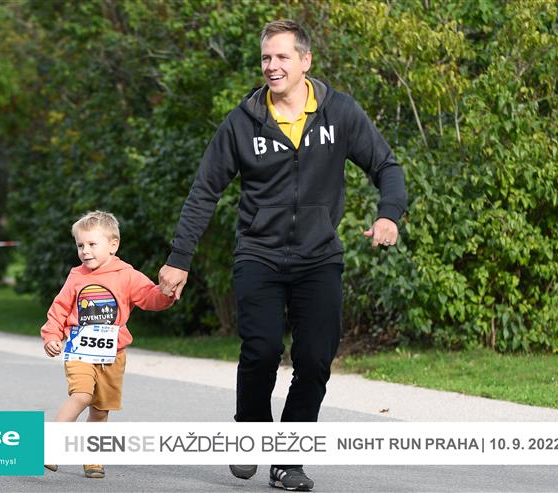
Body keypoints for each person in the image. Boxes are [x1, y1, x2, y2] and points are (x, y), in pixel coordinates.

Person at [159, 20, 406, 491]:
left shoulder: (339, 113)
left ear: (305, 61)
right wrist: (179, 258)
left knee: (314, 359)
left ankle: (289, 458)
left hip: (319, 256)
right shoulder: (243, 121)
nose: (272, 66)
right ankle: (250, 433)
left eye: (281, 57)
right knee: (263, 349)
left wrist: (388, 215)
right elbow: (205, 190)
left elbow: (386, 166)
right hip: (259, 253)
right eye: (266, 58)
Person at [41, 211, 174, 478]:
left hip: (113, 356)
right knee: (81, 395)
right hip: (80, 351)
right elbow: (60, 308)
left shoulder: (126, 275)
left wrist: (166, 293)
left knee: (100, 412)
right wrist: (52, 336)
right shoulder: (76, 276)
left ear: (113, 245)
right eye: (80, 245)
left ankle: (93, 459)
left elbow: (149, 297)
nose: (85, 251)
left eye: (92, 244)